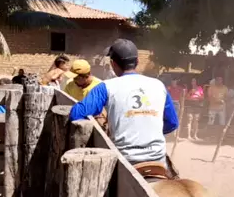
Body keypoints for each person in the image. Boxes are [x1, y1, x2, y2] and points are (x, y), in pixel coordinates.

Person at [69, 39, 178, 168]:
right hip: (158, 159)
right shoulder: (158, 85)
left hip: (124, 161)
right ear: (137, 61)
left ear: (112, 64)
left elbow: (76, 113)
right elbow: (172, 123)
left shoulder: (106, 87)